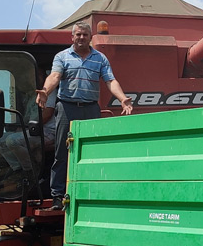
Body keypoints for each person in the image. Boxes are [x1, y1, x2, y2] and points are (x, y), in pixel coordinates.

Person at [36, 20, 134, 210]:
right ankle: (57, 197)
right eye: (78, 34)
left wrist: (122, 99)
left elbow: (110, 80)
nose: (81, 37)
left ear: (90, 37)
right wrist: (45, 91)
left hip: (90, 108)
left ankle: (90, 193)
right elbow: (55, 76)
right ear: (72, 37)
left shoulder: (100, 58)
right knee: (63, 152)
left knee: (92, 152)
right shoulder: (62, 57)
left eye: (85, 35)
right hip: (67, 107)